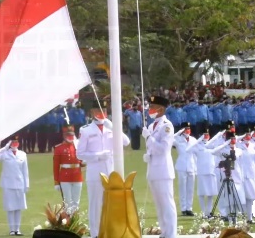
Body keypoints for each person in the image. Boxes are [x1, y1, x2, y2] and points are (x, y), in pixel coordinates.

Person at [77, 100, 130, 238]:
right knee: (95, 204)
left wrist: (114, 127)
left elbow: (126, 142)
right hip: (95, 172)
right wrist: (98, 156)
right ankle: (95, 233)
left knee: (110, 204)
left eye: (104, 111)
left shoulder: (110, 128)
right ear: (92, 113)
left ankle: (108, 231)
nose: (102, 114)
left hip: (111, 172)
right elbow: (80, 154)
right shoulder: (86, 130)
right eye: (99, 111)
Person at [141, 96, 177, 238]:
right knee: (159, 204)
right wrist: (148, 154)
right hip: (153, 170)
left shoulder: (167, 126)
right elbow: (153, 148)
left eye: (153, 107)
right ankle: (164, 232)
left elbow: (164, 148)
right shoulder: (151, 126)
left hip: (163, 170)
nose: (150, 110)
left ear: (161, 109)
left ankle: (171, 234)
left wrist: (149, 138)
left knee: (167, 204)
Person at [0, 135, 29, 236]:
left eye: (16, 142)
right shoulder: (5, 154)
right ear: (9, 144)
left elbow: (25, 171)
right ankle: (12, 229)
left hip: (20, 184)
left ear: (19, 143)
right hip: (8, 184)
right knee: (10, 208)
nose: (14, 144)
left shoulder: (22, 154)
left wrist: (27, 184)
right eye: (12, 143)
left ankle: (17, 229)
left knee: (18, 208)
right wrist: (5, 147)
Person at [53, 125, 85, 214]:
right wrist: (56, 182)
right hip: (65, 177)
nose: (70, 137)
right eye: (68, 136)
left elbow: (81, 161)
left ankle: (75, 221)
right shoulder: (59, 148)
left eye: (72, 135)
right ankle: (68, 221)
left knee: (76, 201)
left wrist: (84, 162)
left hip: (77, 176)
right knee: (67, 201)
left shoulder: (78, 146)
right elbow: (56, 166)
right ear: (64, 136)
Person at [186, 130, 218, 219]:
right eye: (204, 134)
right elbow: (187, 150)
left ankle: (209, 212)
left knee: (211, 193)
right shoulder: (197, 146)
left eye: (207, 134)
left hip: (211, 171)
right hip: (201, 172)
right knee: (201, 193)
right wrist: (199, 140)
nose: (206, 136)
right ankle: (204, 212)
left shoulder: (212, 144)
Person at [173, 122, 197, 216]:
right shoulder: (178, 139)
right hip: (182, 166)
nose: (188, 131)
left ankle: (189, 208)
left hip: (191, 165)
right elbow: (169, 139)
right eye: (186, 129)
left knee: (190, 188)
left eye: (189, 129)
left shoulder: (193, 140)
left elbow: (196, 154)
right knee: (182, 188)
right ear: (182, 130)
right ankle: (183, 208)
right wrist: (178, 132)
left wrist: (196, 167)